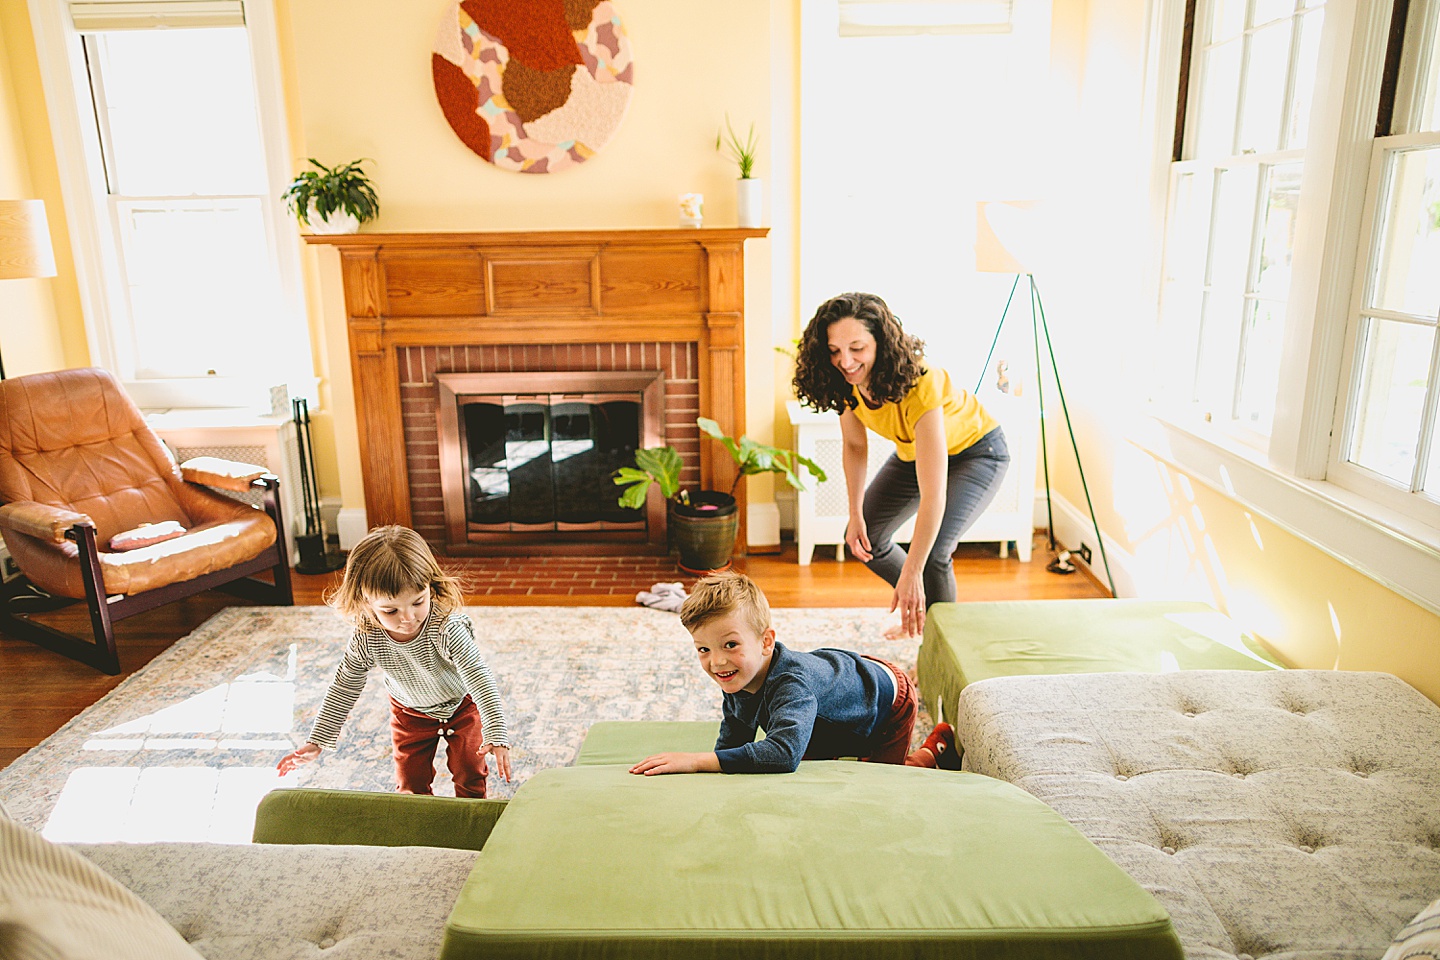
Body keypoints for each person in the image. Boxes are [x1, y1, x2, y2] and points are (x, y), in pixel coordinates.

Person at [792, 291, 1010, 638]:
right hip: (912, 454)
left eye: (857, 348)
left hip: (977, 453)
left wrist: (912, 570)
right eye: (834, 351)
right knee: (868, 538)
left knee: (934, 553)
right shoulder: (847, 382)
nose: (845, 361)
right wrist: (854, 514)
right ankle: (924, 607)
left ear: (881, 341)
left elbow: (933, 494)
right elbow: (853, 444)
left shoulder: (921, 382)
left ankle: (938, 648)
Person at [629, 572, 958, 775]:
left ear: (766, 642)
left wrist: (697, 761)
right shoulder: (736, 674)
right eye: (704, 649)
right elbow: (734, 738)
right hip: (835, 688)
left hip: (886, 701)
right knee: (799, 762)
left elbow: (783, 754)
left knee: (881, 786)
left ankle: (934, 749)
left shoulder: (792, 685)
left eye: (730, 644)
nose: (716, 663)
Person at [277, 525, 511, 797]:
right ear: (365, 602)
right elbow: (344, 686)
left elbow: (479, 676)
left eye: (418, 602)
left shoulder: (446, 627)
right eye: (390, 610)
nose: (408, 618)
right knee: (410, 785)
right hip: (408, 712)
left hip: (461, 706)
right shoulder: (367, 636)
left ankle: (472, 828)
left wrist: (496, 731)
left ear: (430, 586)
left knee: (470, 774)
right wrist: (317, 740)